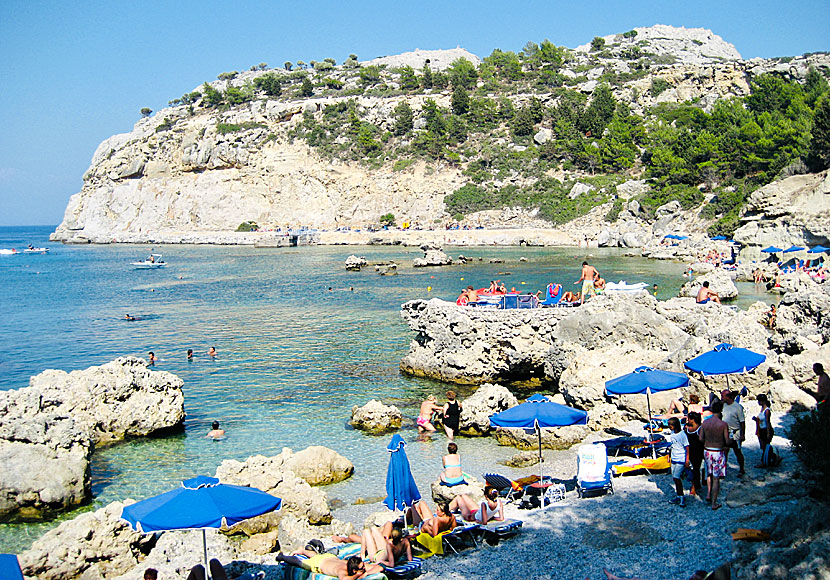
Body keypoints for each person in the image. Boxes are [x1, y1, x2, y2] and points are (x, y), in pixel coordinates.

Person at [701, 400, 730, 510]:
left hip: (707, 450)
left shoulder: (705, 423)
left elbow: (700, 438)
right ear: (721, 410)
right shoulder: (723, 424)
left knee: (709, 473)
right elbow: (727, 441)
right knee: (716, 477)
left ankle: (708, 494)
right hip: (718, 451)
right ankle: (714, 502)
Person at [276, 550, 379, 580]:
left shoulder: (351, 564)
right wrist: (361, 575)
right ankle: (282, 557)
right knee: (299, 562)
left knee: (316, 555)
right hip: (318, 564)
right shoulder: (342, 570)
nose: (364, 568)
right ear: (354, 571)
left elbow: (377, 567)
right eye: (362, 568)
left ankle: (303, 550)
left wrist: (367, 571)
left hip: (328, 557)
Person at [720, 390, 746, 476]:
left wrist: (742, 434)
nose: (721, 398)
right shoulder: (723, 406)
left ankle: (742, 469)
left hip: (735, 433)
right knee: (724, 451)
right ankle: (723, 469)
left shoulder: (737, 407)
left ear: (728, 397)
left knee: (737, 451)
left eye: (723, 396)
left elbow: (742, 422)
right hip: (726, 432)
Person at [667, 417, 690, 507]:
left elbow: (687, 447)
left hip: (681, 458)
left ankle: (681, 496)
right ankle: (678, 495)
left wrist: (687, 460)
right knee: (674, 477)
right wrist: (669, 455)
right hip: (674, 458)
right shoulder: (672, 433)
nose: (669, 427)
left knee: (676, 477)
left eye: (671, 425)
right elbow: (672, 445)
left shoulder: (682, 435)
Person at [684, 411, 705, 497]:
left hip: (698, 452)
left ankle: (694, 487)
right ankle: (697, 484)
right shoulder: (687, 429)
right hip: (691, 452)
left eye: (688, 418)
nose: (687, 420)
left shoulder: (700, 429)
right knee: (693, 469)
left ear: (692, 420)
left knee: (696, 469)